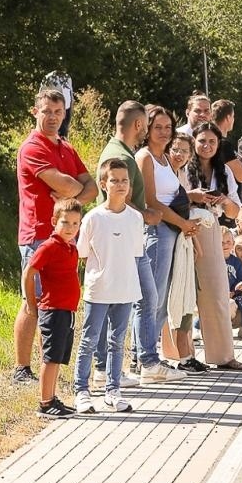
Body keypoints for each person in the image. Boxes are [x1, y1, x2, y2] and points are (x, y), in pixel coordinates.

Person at [13, 88, 97, 385]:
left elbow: (91, 187)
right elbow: (67, 184)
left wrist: (71, 191)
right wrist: (73, 188)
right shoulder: (32, 148)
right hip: (38, 234)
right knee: (32, 300)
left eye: (58, 112)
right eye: (46, 111)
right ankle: (21, 368)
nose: (52, 117)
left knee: (54, 301)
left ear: (64, 115)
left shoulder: (66, 147)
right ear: (35, 112)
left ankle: (47, 365)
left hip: (66, 236)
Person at [99, 99, 162, 386]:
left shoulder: (121, 151)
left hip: (129, 239)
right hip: (122, 240)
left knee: (141, 299)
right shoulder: (120, 156)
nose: (146, 131)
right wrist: (147, 214)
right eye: (146, 125)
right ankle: (110, 369)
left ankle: (140, 361)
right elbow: (119, 198)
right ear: (138, 124)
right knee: (125, 302)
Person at [72, 159, 143, 414]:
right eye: (114, 180)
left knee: (117, 340)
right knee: (90, 339)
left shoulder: (135, 218)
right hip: (99, 288)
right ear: (104, 184)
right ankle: (81, 390)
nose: (120, 184)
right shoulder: (93, 218)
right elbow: (82, 253)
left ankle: (113, 390)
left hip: (125, 288)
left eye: (125, 180)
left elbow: (135, 252)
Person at [137, 107, 198, 380]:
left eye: (167, 127)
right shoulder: (146, 157)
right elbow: (151, 201)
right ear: (146, 129)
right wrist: (183, 223)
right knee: (151, 298)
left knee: (161, 299)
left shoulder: (164, 159)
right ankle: (145, 360)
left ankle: (149, 356)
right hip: (156, 231)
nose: (164, 132)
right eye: (158, 126)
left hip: (172, 233)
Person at [185, 123, 242, 371]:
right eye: (202, 141)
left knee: (217, 293)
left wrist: (221, 199)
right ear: (194, 142)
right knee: (182, 294)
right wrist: (194, 196)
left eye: (212, 142)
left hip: (212, 230)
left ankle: (223, 355)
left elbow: (235, 210)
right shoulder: (182, 166)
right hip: (183, 227)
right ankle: (181, 355)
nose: (207, 146)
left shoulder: (224, 172)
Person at [24, 200, 84, 417]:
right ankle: (45, 403)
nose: (71, 228)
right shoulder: (48, 246)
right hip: (53, 310)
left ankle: (51, 396)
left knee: (57, 357)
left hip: (67, 311)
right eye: (65, 222)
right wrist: (32, 303)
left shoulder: (70, 247)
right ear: (53, 221)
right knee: (50, 358)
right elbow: (29, 272)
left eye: (76, 223)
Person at [162, 133, 204, 368]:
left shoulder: (179, 175)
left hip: (182, 239)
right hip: (167, 236)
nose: (179, 155)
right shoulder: (163, 174)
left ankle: (186, 355)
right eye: (175, 149)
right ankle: (173, 355)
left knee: (186, 297)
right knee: (166, 301)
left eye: (184, 151)